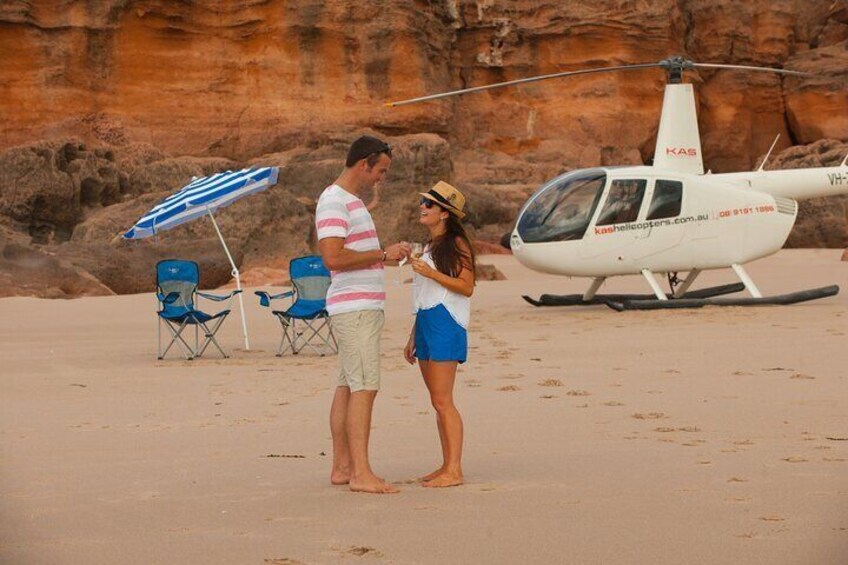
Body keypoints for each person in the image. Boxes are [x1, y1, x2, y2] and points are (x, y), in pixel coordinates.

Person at [316, 136, 410, 494]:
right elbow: (333, 258)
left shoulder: (348, 202)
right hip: (354, 308)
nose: (381, 178)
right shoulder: (335, 201)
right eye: (380, 170)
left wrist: (380, 254)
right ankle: (361, 473)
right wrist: (382, 255)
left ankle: (343, 467)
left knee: (349, 385)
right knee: (365, 387)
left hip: (356, 307)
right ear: (363, 164)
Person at [403, 181, 476, 488]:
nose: (423, 206)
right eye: (423, 201)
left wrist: (430, 272)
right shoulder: (431, 245)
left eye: (429, 204)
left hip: (447, 323)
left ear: (445, 214)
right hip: (427, 322)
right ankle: (446, 463)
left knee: (444, 400)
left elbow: (466, 286)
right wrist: (412, 335)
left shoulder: (456, 243)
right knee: (437, 400)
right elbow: (424, 296)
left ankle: (455, 469)